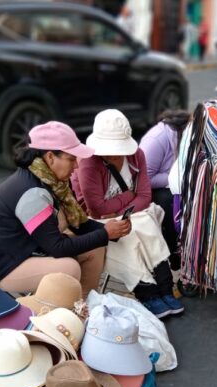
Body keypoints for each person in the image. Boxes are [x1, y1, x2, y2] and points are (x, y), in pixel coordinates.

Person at [0, 122, 131, 297]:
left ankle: (84, 304)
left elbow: (79, 225)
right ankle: (57, 314)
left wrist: (111, 230)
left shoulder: (53, 181)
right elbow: (57, 247)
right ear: (50, 157)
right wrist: (105, 233)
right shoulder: (33, 193)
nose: (76, 166)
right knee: (68, 269)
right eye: (71, 159)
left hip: (18, 247)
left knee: (95, 246)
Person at [72, 109, 184, 319]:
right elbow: (96, 208)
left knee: (146, 227)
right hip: (97, 219)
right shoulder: (88, 162)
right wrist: (128, 197)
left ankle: (165, 288)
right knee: (129, 237)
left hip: (133, 212)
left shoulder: (136, 154)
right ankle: (148, 293)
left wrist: (121, 208)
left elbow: (144, 195)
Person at [139, 110, 191, 271]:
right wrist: (177, 178)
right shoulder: (157, 139)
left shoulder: (183, 136)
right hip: (150, 189)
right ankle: (175, 253)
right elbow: (144, 179)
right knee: (170, 202)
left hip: (171, 184)